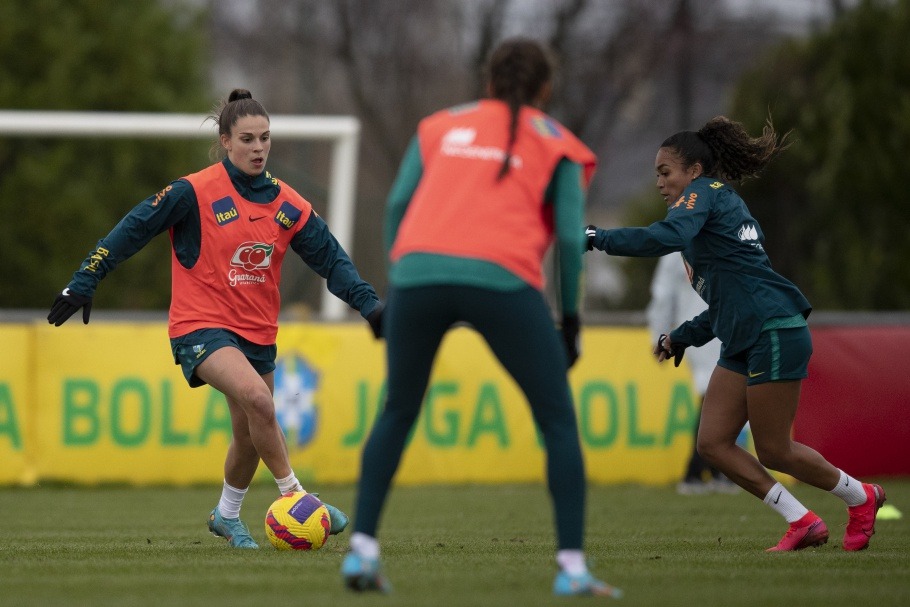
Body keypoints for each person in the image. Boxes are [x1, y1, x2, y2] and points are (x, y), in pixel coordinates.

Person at [340, 38, 620, 597]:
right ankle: (571, 569)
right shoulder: (557, 142)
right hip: (502, 279)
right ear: (545, 89)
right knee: (558, 423)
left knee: (397, 409)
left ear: (489, 83)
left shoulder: (439, 125)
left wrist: (398, 286)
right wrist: (571, 321)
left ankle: (361, 554)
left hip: (418, 277)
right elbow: (568, 238)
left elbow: (397, 206)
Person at [47, 89, 384, 549]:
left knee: (249, 434)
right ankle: (304, 502)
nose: (258, 147)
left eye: (265, 138)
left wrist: (369, 305)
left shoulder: (287, 204)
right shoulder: (193, 192)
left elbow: (332, 260)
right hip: (199, 326)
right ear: (226, 141)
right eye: (247, 139)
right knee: (259, 401)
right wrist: (86, 276)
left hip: (257, 333)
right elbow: (133, 229)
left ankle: (226, 515)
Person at [586, 116, 886, 552]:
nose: (658, 182)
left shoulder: (704, 194)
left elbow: (664, 237)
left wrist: (596, 238)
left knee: (775, 450)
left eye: (664, 172)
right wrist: (680, 337)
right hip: (746, 334)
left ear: (694, 171)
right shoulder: (712, 214)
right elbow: (724, 304)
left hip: (773, 330)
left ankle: (862, 498)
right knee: (712, 443)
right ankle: (801, 520)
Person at [646, 254, 737, 495]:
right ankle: (697, 471)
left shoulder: (681, 243)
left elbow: (662, 295)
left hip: (707, 327)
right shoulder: (681, 247)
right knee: (714, 394)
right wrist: (660, 335)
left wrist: (659, 333)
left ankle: (713, 470)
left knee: (717, 396)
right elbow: (663, 296)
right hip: (701, 330)